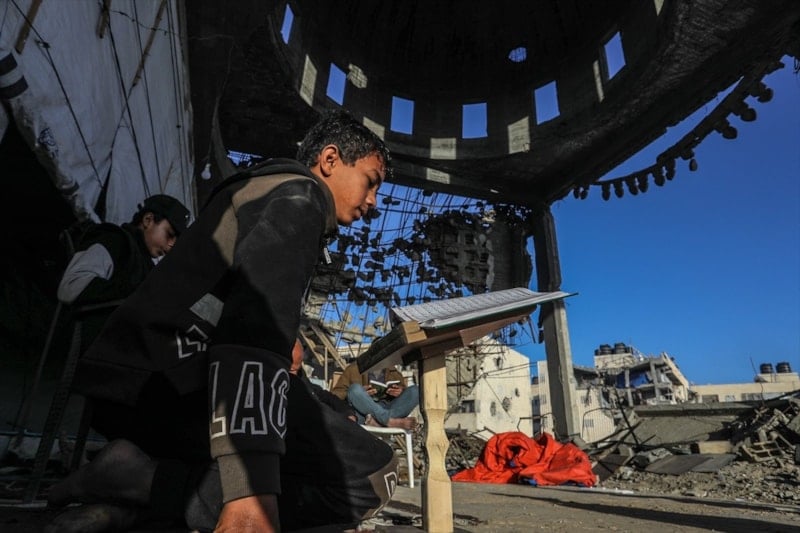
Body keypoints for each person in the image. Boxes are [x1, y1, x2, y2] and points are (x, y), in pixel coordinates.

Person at [46, 110, 397, 533]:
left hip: (137, 387)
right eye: (371, 181)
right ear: (329, 160)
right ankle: (142, 481)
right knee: (371, 475)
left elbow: (246, 317)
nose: (373, 201)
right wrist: (251, 489)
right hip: (171, 388)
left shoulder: (261, 190)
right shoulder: (300, 197)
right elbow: (253, 336)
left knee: (320, 425)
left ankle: (137, 496)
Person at [56, 194, 190, 349]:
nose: (171, 246)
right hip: (81, 350)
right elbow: (71, 286)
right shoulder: (115, 240)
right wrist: (136, 296)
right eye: (170, 234)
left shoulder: (149, 270)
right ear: (148, 220)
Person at [331, 361, 420, 430]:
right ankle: (387, 421)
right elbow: (335, 394)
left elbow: (405, 395)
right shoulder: (353, 369)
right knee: (355, 389)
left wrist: (400, 392)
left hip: (388, 408)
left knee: (416, 390)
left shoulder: (394, 371)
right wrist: (362, 394)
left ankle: (377, 422)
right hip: (364, 412)